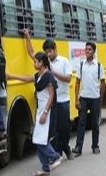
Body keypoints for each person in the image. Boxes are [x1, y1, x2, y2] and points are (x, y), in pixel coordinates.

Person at [7, 52, 63, 176]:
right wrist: (11, 76)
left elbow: (51, 95)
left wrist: (45, 112)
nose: (34, 63)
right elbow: (27, 78)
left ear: (41, 62)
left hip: (46, 110)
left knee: (39, 140)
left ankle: (55, 157)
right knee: (37, 140)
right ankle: (45, 169)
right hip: (40, 110)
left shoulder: (48, 75)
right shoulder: (39, 75)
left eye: (36, 61)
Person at [22, 29, 74, 160]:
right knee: (53, 130)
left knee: (64, 128)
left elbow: (68, 79)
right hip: (51, 103)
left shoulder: (64, 61)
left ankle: (66, 148)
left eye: (50, 51)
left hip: (63, 100)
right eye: (46, 51)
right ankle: (57, 154)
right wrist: (27, 36)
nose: (48, 54)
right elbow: (31, 52)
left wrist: (52, 72)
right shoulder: (44, 62)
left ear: (55, 49)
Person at [72, 42, 106, 157]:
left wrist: (100, 99)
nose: (87, 51)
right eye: (86, 49)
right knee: (81, 123)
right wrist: (76, 99)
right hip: (84, 99)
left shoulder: (99, 66)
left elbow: (103, 83)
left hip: (95, 99)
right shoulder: (81, 65)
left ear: (94, 51)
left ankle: (95, 146)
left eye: (90, 49)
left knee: (94, 124)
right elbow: (77, 83)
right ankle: (78, 147)